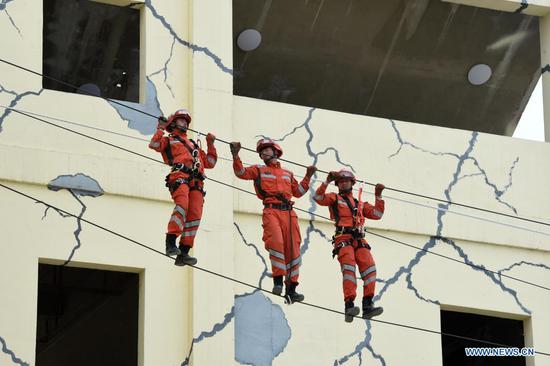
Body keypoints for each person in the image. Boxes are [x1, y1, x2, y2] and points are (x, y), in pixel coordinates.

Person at [230, 138, 316, 303]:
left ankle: (292, 289)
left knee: (294, 250)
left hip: (289, 214)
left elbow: (298, 192)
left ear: (275, 151)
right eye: (262, 151)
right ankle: (278, 281)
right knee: (276, 243)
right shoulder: (259, 170)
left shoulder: (288, 174)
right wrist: (235, 155)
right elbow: (241, 173)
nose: (263, 153)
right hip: (271, 210)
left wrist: (307, 176)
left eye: (267, 150)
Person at [313, 169, 385, 321]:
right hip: (343, 238)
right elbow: (318, 197)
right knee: (349, 269)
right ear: (337, 184)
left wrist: (378, 195)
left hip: (359, 240)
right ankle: (349, 305)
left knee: (370, 268)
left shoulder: (360, 204)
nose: (343, 183)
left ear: (352, 183)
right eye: (340, 181)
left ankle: (367, 305)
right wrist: (326, 182)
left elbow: (377, 214)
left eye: (346, 181)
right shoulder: (334, 198)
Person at [149, 108, 217, 266]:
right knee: (182, 206)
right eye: (181, 120)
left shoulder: (193, 145)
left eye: (186, 121)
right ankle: (170, 242)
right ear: (172, 124)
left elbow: (210, 163)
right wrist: (160, 128)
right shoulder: (169, 140)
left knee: (195, 214)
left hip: (197, 182)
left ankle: (184, 252)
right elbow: (154, 144)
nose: (185, 123)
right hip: (180, 176)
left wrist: (210, 144)